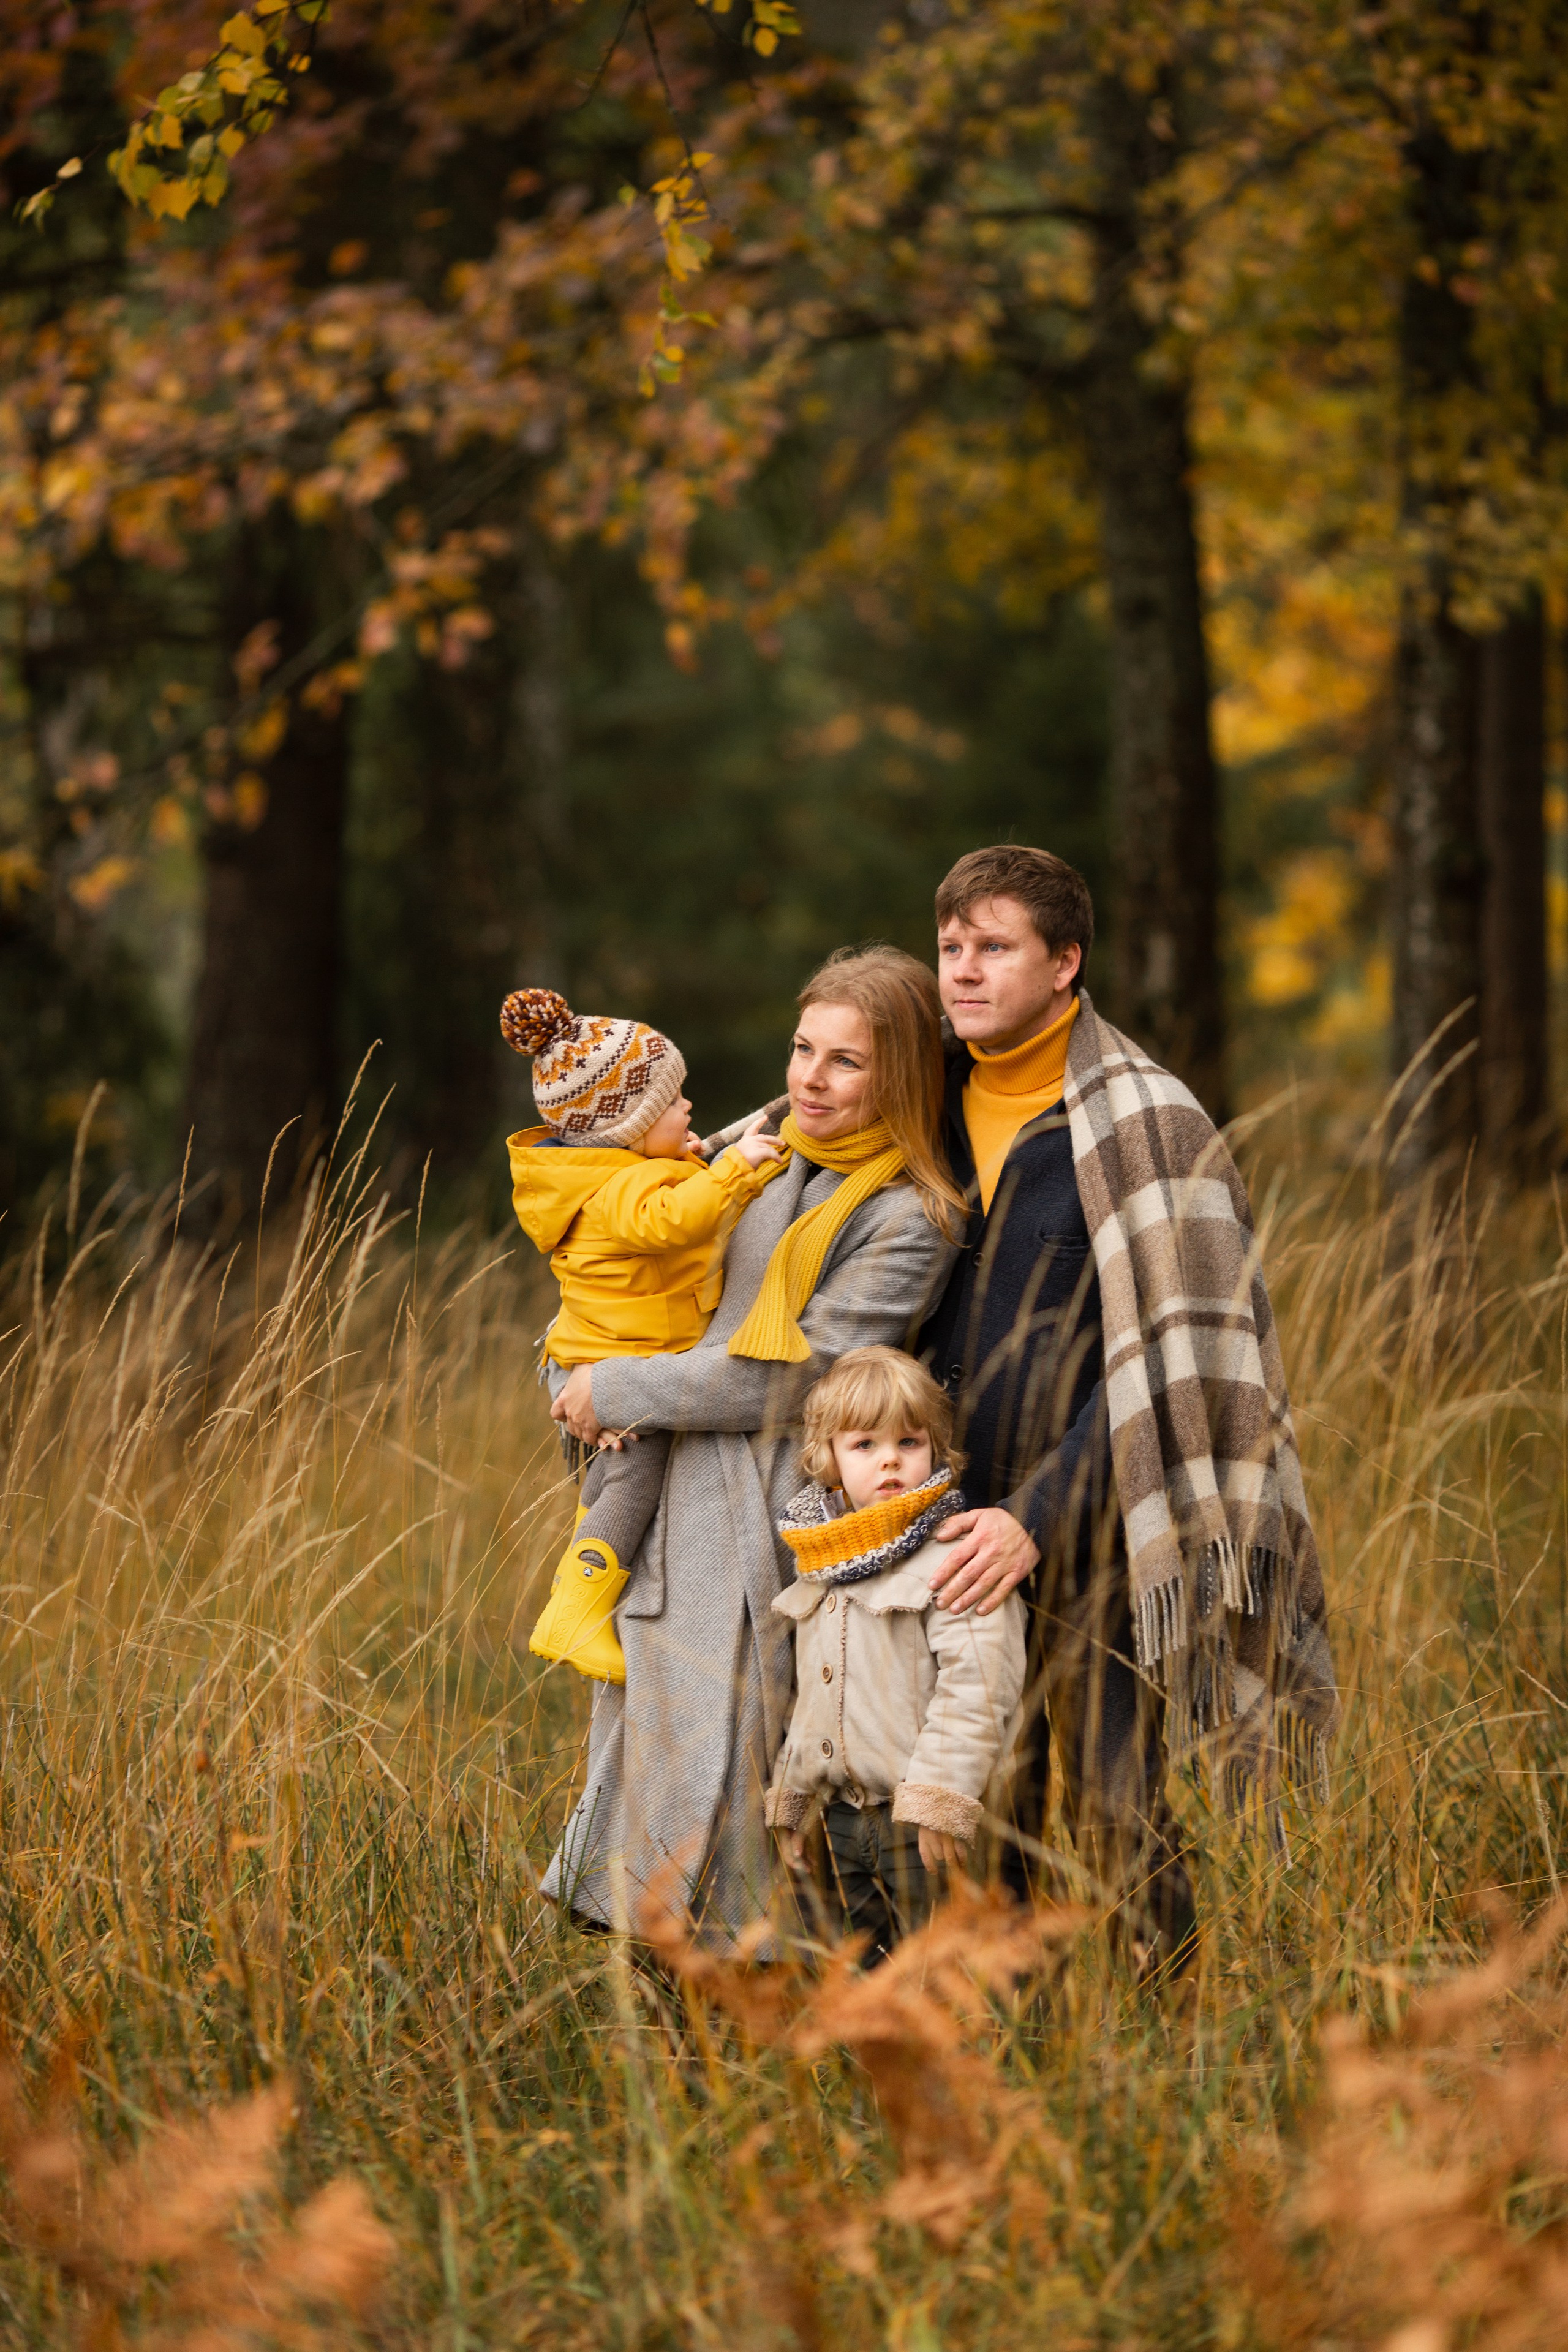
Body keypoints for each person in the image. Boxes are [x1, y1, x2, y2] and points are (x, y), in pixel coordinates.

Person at [919, 845, 1339, 1969]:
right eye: (951, 946)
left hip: (1099, 1528)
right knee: (973, 1801)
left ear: (1066, 962)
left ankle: (1170, 2025)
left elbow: (1167, 1372)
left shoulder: (1153, 1126)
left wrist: (1036, 1516)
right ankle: (1010, 2031)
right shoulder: (914, 1102)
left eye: (994, 947)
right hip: (927, 1524)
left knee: (1114, 1804)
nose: (963, 970)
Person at [541, 946, 965, 1942]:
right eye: (803, 1048)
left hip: (760, 1528)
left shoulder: (913, 1216)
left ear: (903, 1075)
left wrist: (621, 1387)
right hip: (661, 1504)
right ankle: (653, 2009)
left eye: (846, 1062)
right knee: (647, 1792)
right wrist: (572, 1375)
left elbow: (797, 1375)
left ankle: (764, 2011)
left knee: (743, 1806)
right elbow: (622, 1271)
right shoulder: (752, 1152)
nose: (810, 1078)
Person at [501, 986, 785, 1684]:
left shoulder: (611, 1175)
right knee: (635, 1475)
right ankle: (575, 1614)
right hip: (605, 1364)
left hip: (590, 1355)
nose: (689, 1108)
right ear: (626, 1128)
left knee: (613, 1482)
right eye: (672, 1101)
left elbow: (668, 1196)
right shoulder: (621, 1192)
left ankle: (578, 1593)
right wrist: (735, 1171)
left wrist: (696, 1159)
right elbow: (671, 1222)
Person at [766, 1346, 1025, 1961]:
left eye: (909, 1442)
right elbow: (811, 1697)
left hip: (923, 1822)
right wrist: (793, 1796)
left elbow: (980, 1685)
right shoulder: (820, 1567)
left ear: (935, 1448)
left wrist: (940, 1796)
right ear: (829, 1459)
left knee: (943, 1974)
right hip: (842, 1821)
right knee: (864, 1976)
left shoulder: (955, 1557)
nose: (890, 1460)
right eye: (865, 1445)